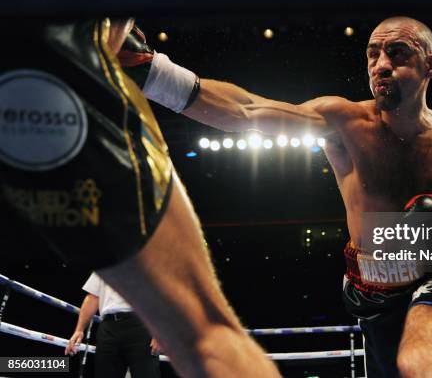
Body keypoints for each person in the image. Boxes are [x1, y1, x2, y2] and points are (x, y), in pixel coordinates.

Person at [122, 15, 432, 377]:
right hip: (371, 289)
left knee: (423, 367)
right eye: (373, 55)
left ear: (431, 65)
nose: (381, 66)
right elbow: (247, 111)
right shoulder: (344, 121)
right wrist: (153, 73)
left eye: (397, 53)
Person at [0, 19, 281, 378]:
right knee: (207, 334)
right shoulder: (107, 25)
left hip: (50, 113)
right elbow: (232, 111)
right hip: (77, 123)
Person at [65, 273, 162, 378]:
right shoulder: (104, 263)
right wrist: (79, 330)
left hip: (142, 325)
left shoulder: (150, 261)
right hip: (108, 328)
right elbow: (92, 297)